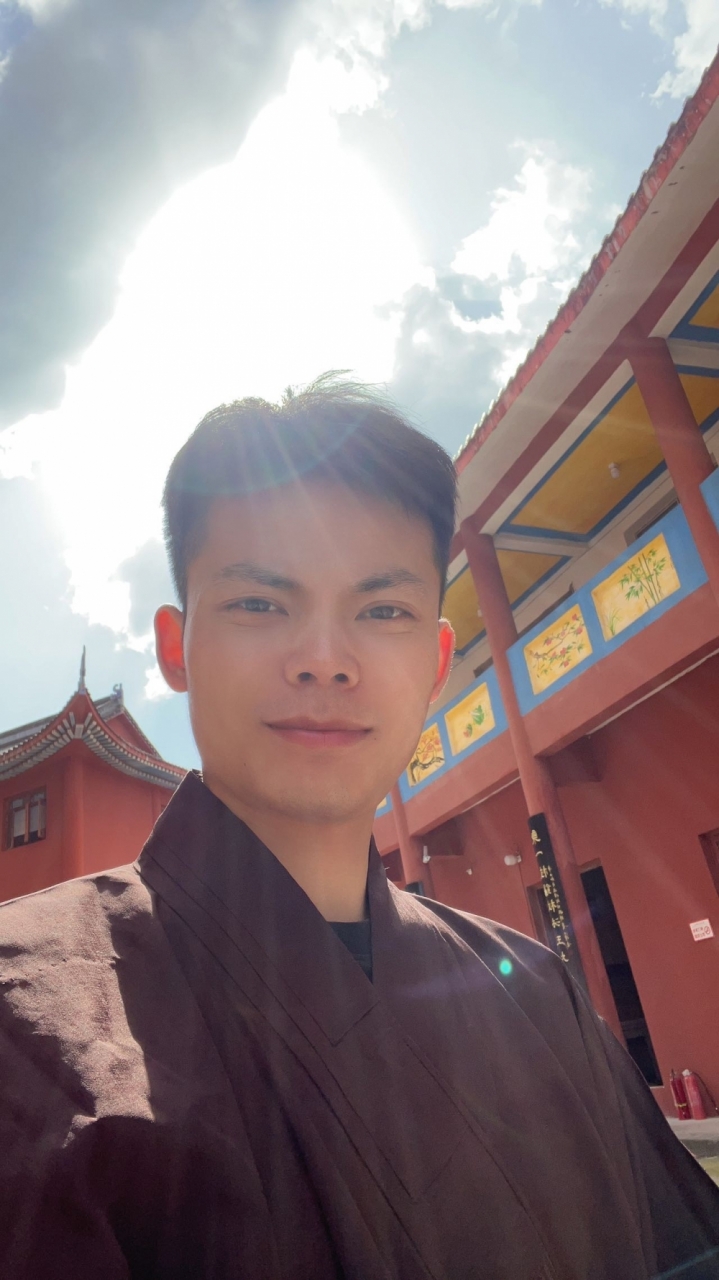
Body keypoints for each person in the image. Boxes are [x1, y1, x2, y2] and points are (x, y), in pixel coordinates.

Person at [1, 374, 718, 1280]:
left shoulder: (539, 994)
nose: (324, 661)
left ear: (436, 662)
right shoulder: (28, 1017)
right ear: (177, 649)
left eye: (383, 611)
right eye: (260, 603)